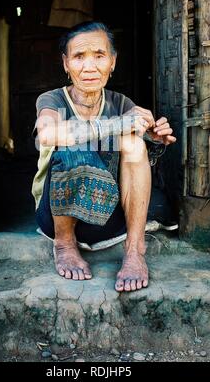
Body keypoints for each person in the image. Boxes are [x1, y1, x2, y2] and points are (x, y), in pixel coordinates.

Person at [32, 21, 176, 292]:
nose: (89, 67)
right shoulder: (52, 100)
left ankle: (135, 252)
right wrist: (116, 125)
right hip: (58, 218)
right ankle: (64, 245)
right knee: (71, 145)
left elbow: (137, 151)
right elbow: (47, 134)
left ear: (112, 61)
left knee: (134, 143)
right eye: (78, 57)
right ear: (65, 63)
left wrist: (153, 140)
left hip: (108, 216)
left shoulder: (121, 103)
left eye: (99, 56)